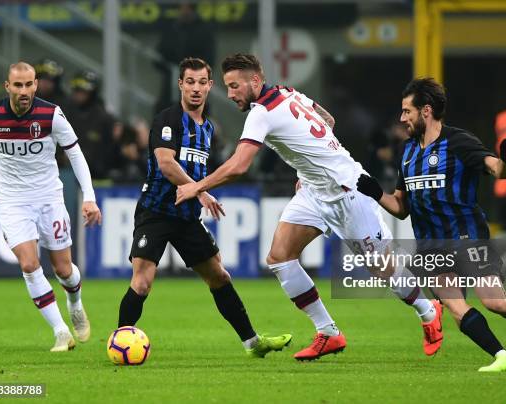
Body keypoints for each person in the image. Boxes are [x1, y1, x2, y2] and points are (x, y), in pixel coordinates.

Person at [176, 53, 443, 361]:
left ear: (255, 81)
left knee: (382, 268)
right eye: (228, 86)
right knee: (279, 257)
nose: (231, 93)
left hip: (348, 189)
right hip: (314, 191)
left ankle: (428, 311)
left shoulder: (262, 113)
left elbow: (239, 166)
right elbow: (327, 120)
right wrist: (308, 169)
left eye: (235, 86)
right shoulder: (289, 93)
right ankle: (328, 332)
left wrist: (196, 186)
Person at [356, 77, 506, 371]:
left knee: (496, 302)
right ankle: (503, 357)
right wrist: (376, 193)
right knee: (456, 307)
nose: (402, 118)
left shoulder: (459, 142)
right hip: (431, 246)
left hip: (468, 237)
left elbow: (498, 171)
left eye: (407, 111)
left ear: (426, 111)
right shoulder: (407, 153)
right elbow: (400, 208)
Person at [117, 57, 291, 358]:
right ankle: (118, 343)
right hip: (156, 212)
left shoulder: (208, 128)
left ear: (210, 86)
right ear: (181, 84)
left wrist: (200, 191)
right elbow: (166, 164)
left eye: (202, 83)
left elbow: (202, 173)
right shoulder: (167, 119)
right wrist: (201, 192)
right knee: (143, 282)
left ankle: (252, 343)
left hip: (186, 218)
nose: (196, 89)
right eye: (190, 82)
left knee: (219, 276)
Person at [0, 62, 101, 351]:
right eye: (17, 85)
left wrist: (89, 197)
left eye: (29, 84)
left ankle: (75, 302)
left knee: (64, 269)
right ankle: (60, 331)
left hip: (49, 198)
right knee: (30, 264)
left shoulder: (51, 115)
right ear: (7, 87)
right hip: (11, 200)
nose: (24, 91)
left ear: (36, 85)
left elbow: (76, 154)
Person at [66, 70, 119, 181]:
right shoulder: (65, 112)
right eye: (77, 90)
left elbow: (110, 151)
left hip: (97, 176)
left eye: (83, 91)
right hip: (68, 173)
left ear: (93, 92)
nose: (79, 94)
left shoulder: (104, 117)